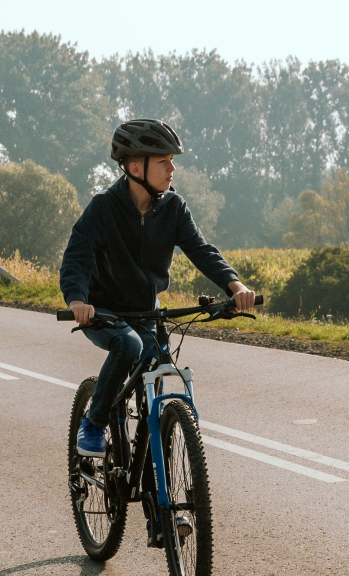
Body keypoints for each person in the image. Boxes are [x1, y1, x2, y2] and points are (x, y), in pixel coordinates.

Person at [59, 118, 255, 454]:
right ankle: (94, 422)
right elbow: (76, 259)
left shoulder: (173, 208)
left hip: (146, 311)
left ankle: (158, 490)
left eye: (172, 160)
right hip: (103, 311)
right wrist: (78, 300)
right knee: (129, 346)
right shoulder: (104, 208)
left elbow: (201, 250)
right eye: (164, 161)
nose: (172, 168)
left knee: (158, 357)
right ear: (136, 167)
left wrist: (234, 285)